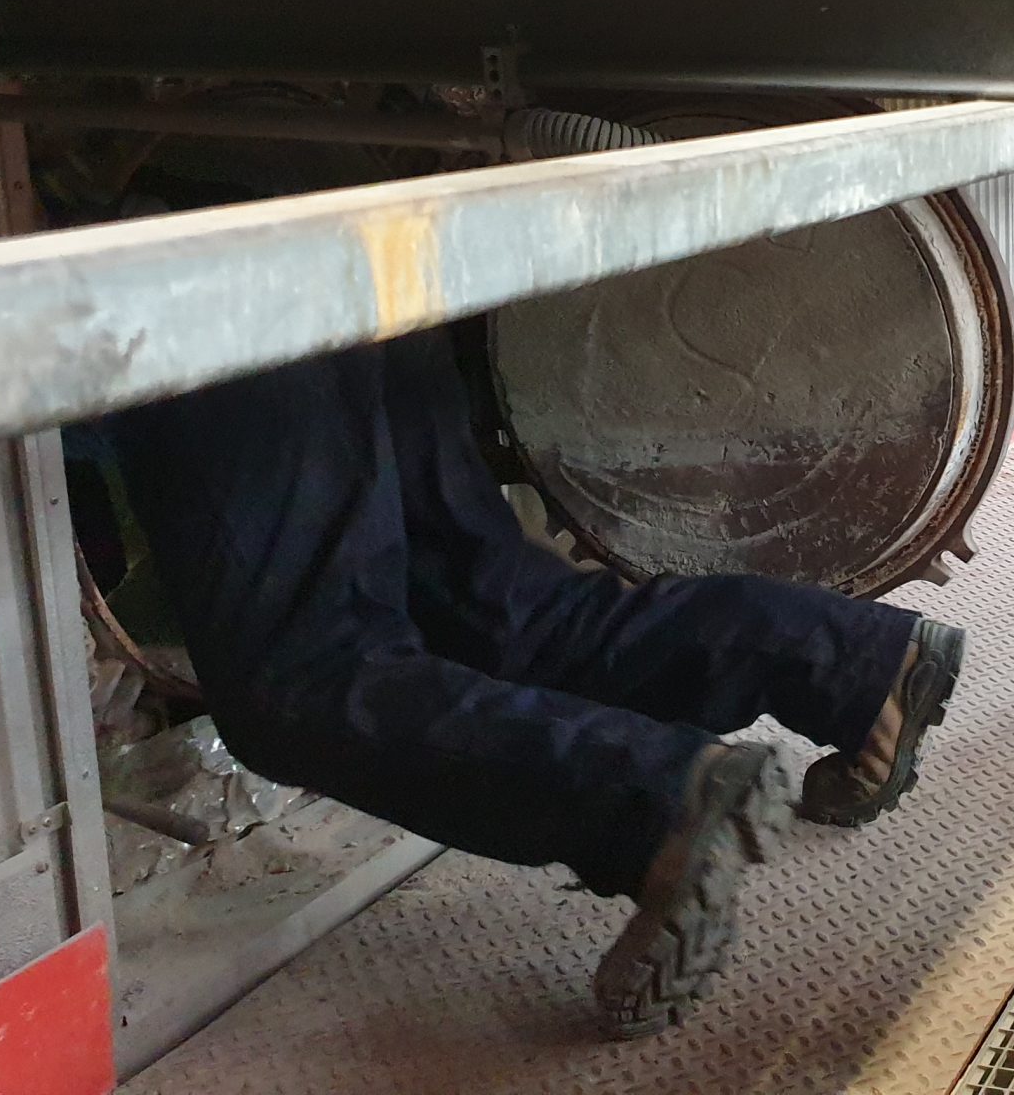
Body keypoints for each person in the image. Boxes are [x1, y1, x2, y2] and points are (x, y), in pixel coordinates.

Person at [101, 326, 964, 1041]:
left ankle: (653, 797)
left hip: (199, 255)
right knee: (500, 615)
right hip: (354, 222)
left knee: (300, 673)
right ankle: (852, 663)